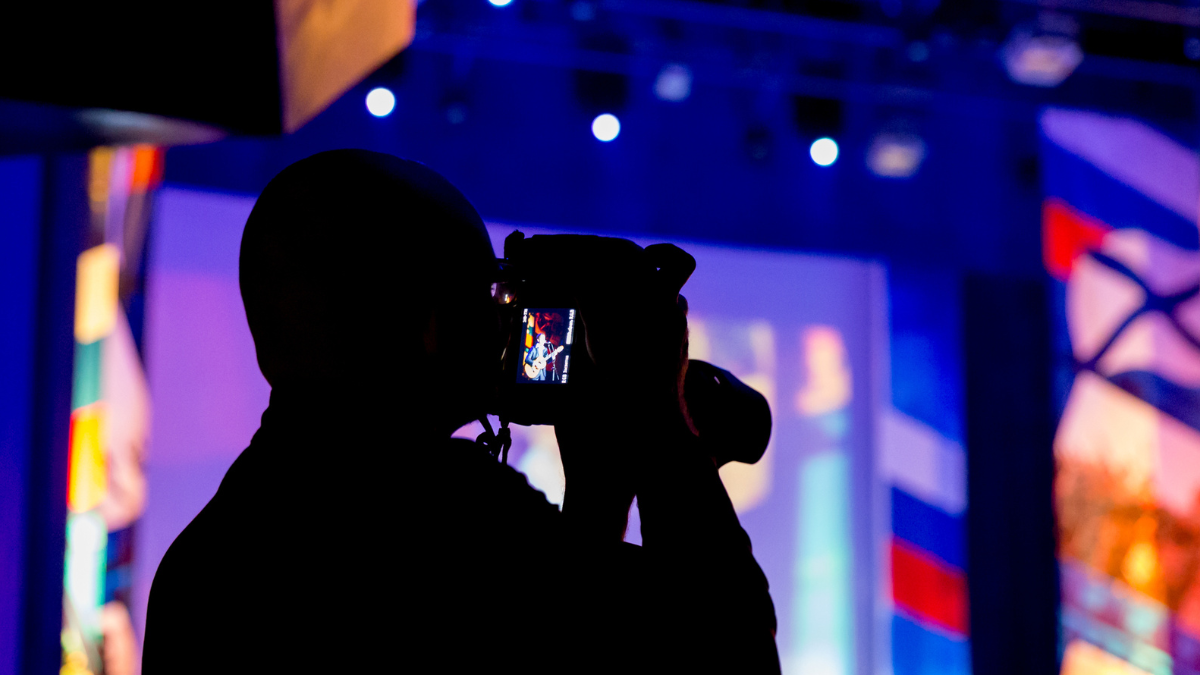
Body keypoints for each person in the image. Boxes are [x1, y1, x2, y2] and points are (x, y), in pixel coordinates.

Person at [142, 149, 779, 673]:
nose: (511, 322)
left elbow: (566, 622)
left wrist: (597, 488)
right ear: (437, 327)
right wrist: (657, 416)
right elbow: (727, 653)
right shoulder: (452, 513)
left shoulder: (200, 566)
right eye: (494, 296)